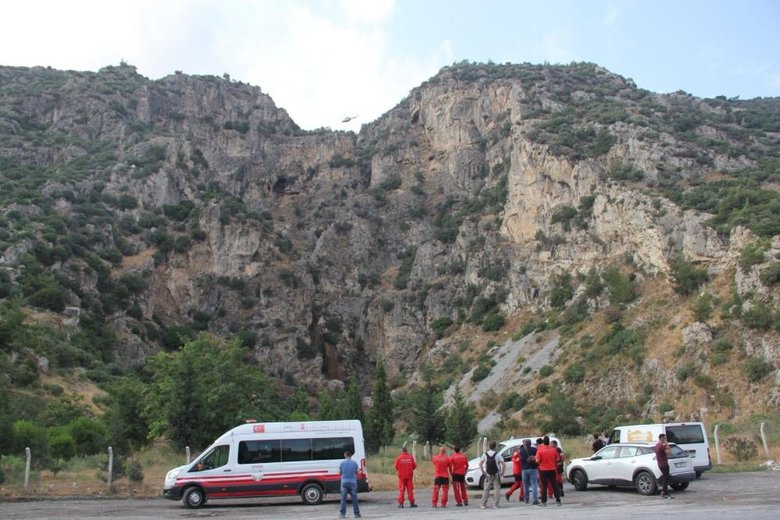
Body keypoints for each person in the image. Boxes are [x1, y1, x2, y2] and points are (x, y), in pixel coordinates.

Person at [537, 435, 562, 506]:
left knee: (544, 486)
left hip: (543, 470)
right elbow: (557, 459)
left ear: (543, 442)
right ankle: (558, 500)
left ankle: (544, 502)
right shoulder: (553, 450)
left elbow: (537, 460)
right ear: (549, 442)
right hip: (552, 469)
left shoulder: (540, 450)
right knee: (554, 485)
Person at [479, 440, 505, 509]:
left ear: (489, 446)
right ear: (495, 446)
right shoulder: (498, 454)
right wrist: (502, 472)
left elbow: (480, 464)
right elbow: (503, 464)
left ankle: (483, 504)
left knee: (486, 489)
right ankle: (495, 505)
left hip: (488, 474)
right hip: (496, 474)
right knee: (497, 489)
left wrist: (483, 472)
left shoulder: (485, 454)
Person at [339, 450, 361, 518]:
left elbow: (339, 473)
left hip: (344, 482)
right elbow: (358, 472)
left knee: (343, 499)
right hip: (353, 483)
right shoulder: (354, 463)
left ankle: (342, 514)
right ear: (351, 456)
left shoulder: (342, 463)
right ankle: (356, 514)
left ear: (345, 455)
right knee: (354, 499)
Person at [520, 438, 539, 505]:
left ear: (525, 444)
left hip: (524, 469)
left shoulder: (521, 450)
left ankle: (526, 499)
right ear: (530, 444)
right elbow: (537, 458)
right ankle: (535, 499)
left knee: (525, 485)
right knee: (534, 484)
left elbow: (520, 459)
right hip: (533, 468)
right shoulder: (534, 450)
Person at [655, 433, 673, 499]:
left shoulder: (657, 445)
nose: (665, 439)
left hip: (660, 464)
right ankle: (665, 493)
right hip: (664, 464)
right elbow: (669, 452)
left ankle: (663, 491)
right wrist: (667, 444)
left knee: (665, 477)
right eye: (665, 438)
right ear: (661, 438)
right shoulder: (661, 446)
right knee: (666, 479)